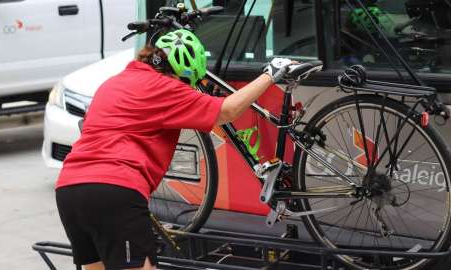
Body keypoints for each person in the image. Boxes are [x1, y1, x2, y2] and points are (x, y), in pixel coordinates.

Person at [55, 29, 296, 270]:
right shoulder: (166, 87)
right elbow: (227, 111)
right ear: (183, 73)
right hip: (115, 190)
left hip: (69, 190)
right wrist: (270, 74)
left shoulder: (113, 82)